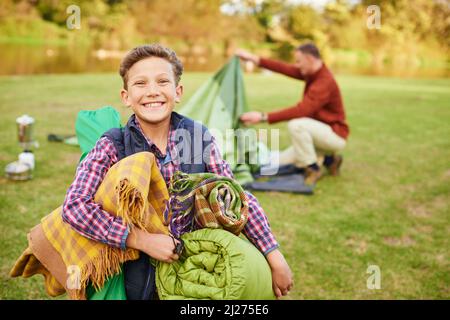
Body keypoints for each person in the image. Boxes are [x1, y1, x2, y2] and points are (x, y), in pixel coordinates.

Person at [61, 44, 293, 299]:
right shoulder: (112, 145)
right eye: (140, 83)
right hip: (136, 277)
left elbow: (234, 196)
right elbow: (74, 206)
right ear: (126, 96)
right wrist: (141, 240)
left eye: (162, 81)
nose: (152, 91)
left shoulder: (198, 138)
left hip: (194, 268)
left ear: (177, 91)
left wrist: (273, 254)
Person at [236, 43, 350, 185]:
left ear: (309, 59)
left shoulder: (324, 81)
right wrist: (253, 58)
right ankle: (331, 160)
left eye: (298, 61)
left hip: (335, 135)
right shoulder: (311, 73)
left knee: (296, 125)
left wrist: (262, 117)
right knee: (278, 162)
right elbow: (283, 68)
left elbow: (302, 110)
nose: (297, 65)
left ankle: (313, 169)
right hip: (319, 134)